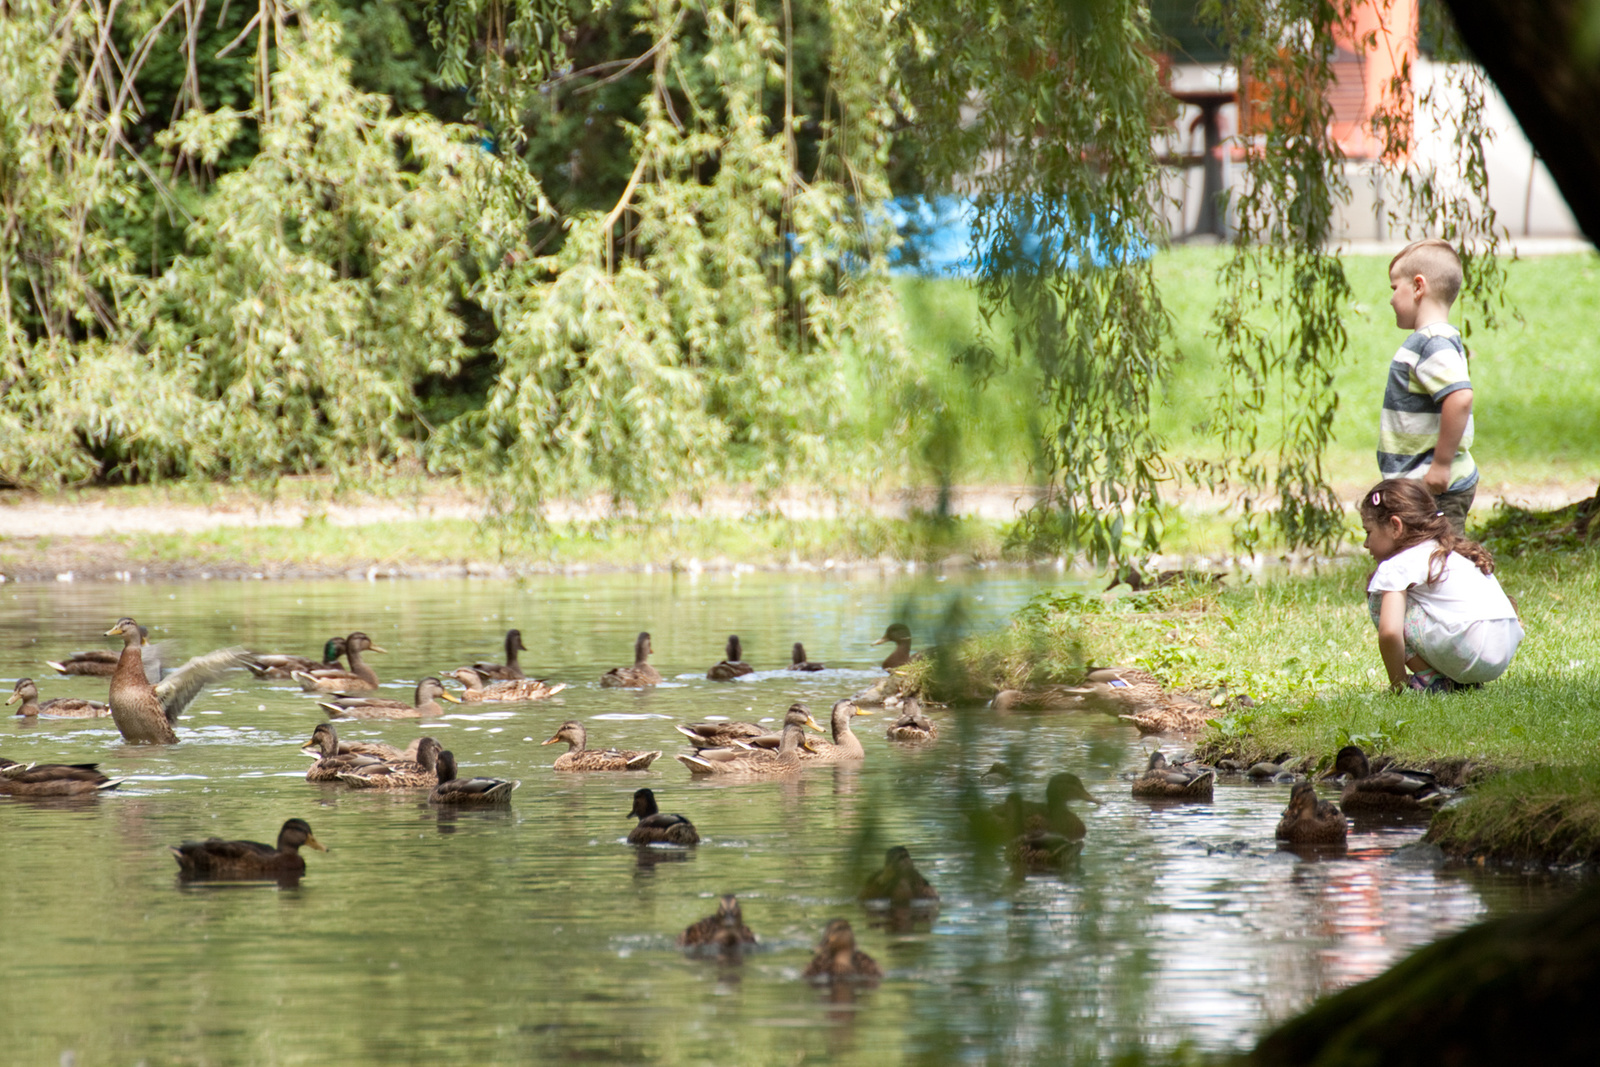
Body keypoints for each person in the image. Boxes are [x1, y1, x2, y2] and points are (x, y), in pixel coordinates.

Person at [1361, 479, 1522, 694]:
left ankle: (1431, 680)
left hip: (1468, 653)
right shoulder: (1450, 551)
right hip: (1500, 654)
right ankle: (1458, 681)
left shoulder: (1396, 565)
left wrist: (1397, 684)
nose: (1365, 544)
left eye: (1368, 532)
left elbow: (1390, 632)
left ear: (1395, 526)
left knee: (1380, 599)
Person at [1379, 238, 1476, 535]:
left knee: (1443, 564)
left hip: (1435, 488)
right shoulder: (1439, 340)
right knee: (1424, 564)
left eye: (1395, 288)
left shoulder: (1431, 342)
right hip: (1421, 488)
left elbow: (1459, 397)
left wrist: (1441, 465)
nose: (1391, 299)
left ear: (1418, 287)